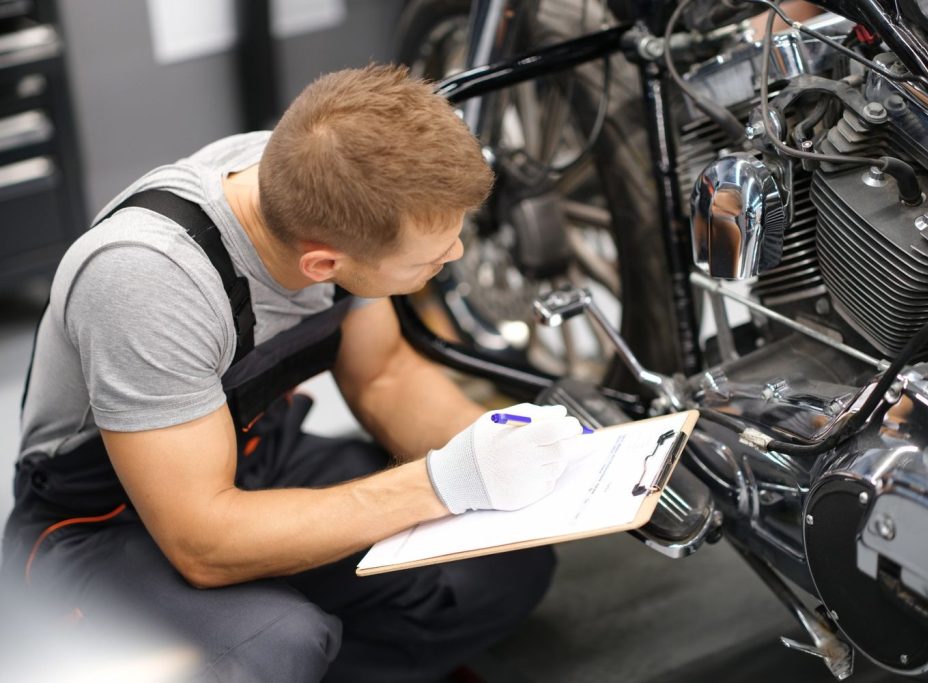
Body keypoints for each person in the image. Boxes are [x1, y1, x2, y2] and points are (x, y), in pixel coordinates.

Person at [1, 64, 585, 682]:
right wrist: (446, 481)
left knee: (497, 569)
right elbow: (202, 542)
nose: (456, 256)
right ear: (323, 263)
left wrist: (537, 468)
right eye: (433, 259)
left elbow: (382, 374)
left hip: (255, 450)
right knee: (275, 645)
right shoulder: (147, 280)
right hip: (105, 521)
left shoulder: (328, 180)